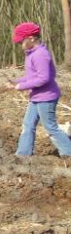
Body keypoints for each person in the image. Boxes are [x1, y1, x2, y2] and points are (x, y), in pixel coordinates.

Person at [9, 22, 71, 157]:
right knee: (28, 124)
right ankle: (23, 154)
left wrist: (22, 87)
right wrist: (16, 82)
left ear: (31, 38)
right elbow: (32, 76)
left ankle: (68, 152)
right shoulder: (31, 54)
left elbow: (43, 78)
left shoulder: (40, 55)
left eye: (21, 42)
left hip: (46, 98)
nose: (20, 45)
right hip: (36, 97)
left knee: (50, 127)